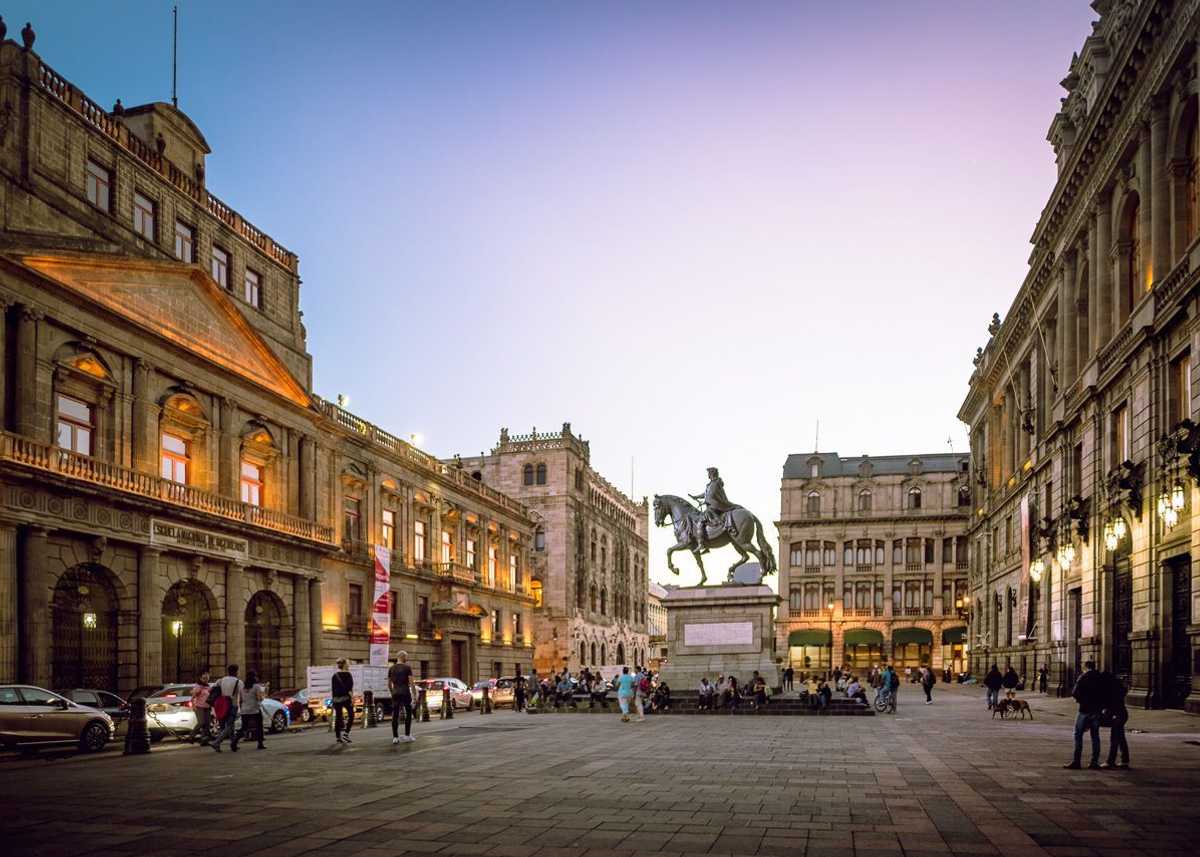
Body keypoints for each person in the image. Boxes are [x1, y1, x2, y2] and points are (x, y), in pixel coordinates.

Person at [1065, 660, 1104, 770]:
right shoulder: (1100, 678)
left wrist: (1081, 701)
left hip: (1084, 710)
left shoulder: (1083, 677)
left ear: (1085, 667)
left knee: (1078, 734)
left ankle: (1076, 762)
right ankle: (1094, 762)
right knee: (1095, 736)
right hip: (1096, 710)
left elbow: (1075, 693)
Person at [1100, 669, 1130, 770]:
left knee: (1114, 739)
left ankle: (1110, 761)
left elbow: (1110, 705)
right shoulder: (1118, 688)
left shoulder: (1110, 691)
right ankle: (1125, 760)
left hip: (1117, 715)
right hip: (1122, 714)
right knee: (1121, 738)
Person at [210, 664, 242, 753]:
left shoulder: (221, 680)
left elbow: (212, 689)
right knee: (229, 726)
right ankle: (216, 742)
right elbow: (242, 694)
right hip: (232, 705)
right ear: (236, 671)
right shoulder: (238, 682)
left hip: (222, 705)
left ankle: (233, 744)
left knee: (223, 726)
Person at [388, 651, 415, 744]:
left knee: (395, 715)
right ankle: (407, 735)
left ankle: (395, 737)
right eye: (406, 657)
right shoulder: (407, 668)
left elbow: (389, 684)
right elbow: (411, 683)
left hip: (395, 692)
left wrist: (392, 692)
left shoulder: (391, 668)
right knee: (408, 713)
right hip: (405, 692)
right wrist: (414, 695)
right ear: (403, 657)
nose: (406, 658)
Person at [239, 670, 267, 750]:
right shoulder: (256, 686)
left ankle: (235, 740)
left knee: (244, 727)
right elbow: (259, 698)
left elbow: (241, 699)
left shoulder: (243, 687)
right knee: (259, 726)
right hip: (255, 709)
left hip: (244, 710)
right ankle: (260, 743)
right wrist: (263, 695)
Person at [331, 658, 354, 744]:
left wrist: (333, 699)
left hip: (336, 699)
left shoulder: (334, 675)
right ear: (344, 665)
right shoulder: (348, 675)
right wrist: (352, 698)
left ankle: (338, 737)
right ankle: (346, 733)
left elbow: (333, 689)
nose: (349, 665)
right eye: (348, 664)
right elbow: (349, 688)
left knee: (338, 717)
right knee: (351, 715)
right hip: (346, 698)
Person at [189, 672, 211, 745]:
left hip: (207, 707)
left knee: (207, 724)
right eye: (204, 678)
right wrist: (193, 706)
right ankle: (191, 736)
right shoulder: (198, 686)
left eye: (207, 678)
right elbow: (192, 697)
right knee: (201, 722)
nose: (206, 680)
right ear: (201, 678)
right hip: (199, 707)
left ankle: (204, 740)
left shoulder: (208, 686)